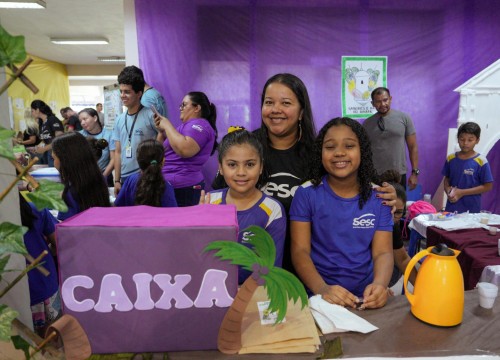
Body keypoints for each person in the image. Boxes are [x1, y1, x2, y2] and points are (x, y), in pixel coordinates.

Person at [249, 73, 396, 274]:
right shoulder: (246, 147)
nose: (276, 110)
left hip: (301, 271)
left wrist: (389, 196)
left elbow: (352, 189)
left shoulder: (319, 153)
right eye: (269, 102)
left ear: (301, 111)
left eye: (285, 103)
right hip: (251, 261)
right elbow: (224, 198)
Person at [290, 117, 393, 309]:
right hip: (319, 297)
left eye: (349, 146)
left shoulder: (380, 198)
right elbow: (300, 251)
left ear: (362, 150)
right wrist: (322, 289)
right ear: (320, 153)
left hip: (365, 297)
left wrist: (380, 285)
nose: (339, 153)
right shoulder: (306, 194)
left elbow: (383, 252)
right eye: (330, 147)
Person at [200, 129, 286, 284]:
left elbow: (271, 269)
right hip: (212, 291)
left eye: (250, 164)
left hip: (254, 294)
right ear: (220, 167)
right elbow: (197, 257)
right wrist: (198, 222)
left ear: (261, 167)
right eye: (232, 165)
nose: (241, 172)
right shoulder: (209, 202)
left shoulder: (273, 209)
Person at [155, 91, 217, 206]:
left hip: (183, 187)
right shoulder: (184, 127)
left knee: (181, 223)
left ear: (197, 108)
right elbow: (157, 152)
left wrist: (167, 125)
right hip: (169, 184)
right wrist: (161, 132)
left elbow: (185, 150)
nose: (180, 108)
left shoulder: (200, 125)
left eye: (184, 105)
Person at [19, 195, 61, 337]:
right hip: (45, 285)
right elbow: (59, 241)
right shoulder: (36, 209)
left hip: (14, 293)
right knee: (49, 340)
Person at [113, 66, 158, 195]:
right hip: (124, 178)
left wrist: (151, 171)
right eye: (121, 91)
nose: (122, 96)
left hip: (145, 176)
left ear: (139, 93)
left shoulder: (151, 115)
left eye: (127, 92)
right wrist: (117, 180)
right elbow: (118, 152)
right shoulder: (119, 120)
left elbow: (161, 144)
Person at [363, 87, 419, 190]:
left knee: (398, 206)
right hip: (375, 175)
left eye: (385, 100)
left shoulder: (404, 118)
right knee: (376, 205)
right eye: (378, 101)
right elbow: (364, 152)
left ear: (390, 98)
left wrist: (415, 173)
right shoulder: (367, 124)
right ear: (373, 103)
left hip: (398, 175)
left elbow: (413, 147)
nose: (383, 104)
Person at [52, 132, 110, 221]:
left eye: (54, 158)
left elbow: (65, 226)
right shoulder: (99, 179)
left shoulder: (69, 193)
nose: (54, 163)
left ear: (65, 160)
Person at [442, 122, 493, 213]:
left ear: (477, 140)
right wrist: (448, 190)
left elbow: (488, 186)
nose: (465, 143)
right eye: (462, 139)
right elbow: (446, 179)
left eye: (470, 140)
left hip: (471, 211)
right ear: (458, 139)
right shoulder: (451, 158)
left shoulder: (481, 161)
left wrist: (462, 192)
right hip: (451, 209)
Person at [115, 139, 177, 207]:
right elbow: (172, 213)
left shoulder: (130, 180)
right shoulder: (166, 186)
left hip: (132, 217)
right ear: (163, 162)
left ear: (138, 161)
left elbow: (117, 205)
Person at [379, 169, 415, 287]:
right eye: (389, 210)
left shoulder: (393, 225)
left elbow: (403, 260)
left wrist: (424, 288)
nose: (393, 216)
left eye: (398, 212)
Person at [79, 107, 115, 186]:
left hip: (105, 174)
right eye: (80, 121)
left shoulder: (109, 134)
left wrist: (103, 176)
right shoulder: (79, 136)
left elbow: (114, 159)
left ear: (95, 118)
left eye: (85, 119)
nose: (82, 123)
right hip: (84, 176)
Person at [30, 100, 64, 166]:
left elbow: (60, 139)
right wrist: (37, 148)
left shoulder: (52, 119)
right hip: (48, 153)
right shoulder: (41, 123)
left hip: (56, 154)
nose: (32, 113)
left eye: (32, 111)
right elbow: (46, 139)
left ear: (37, 110)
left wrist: (44, 149)